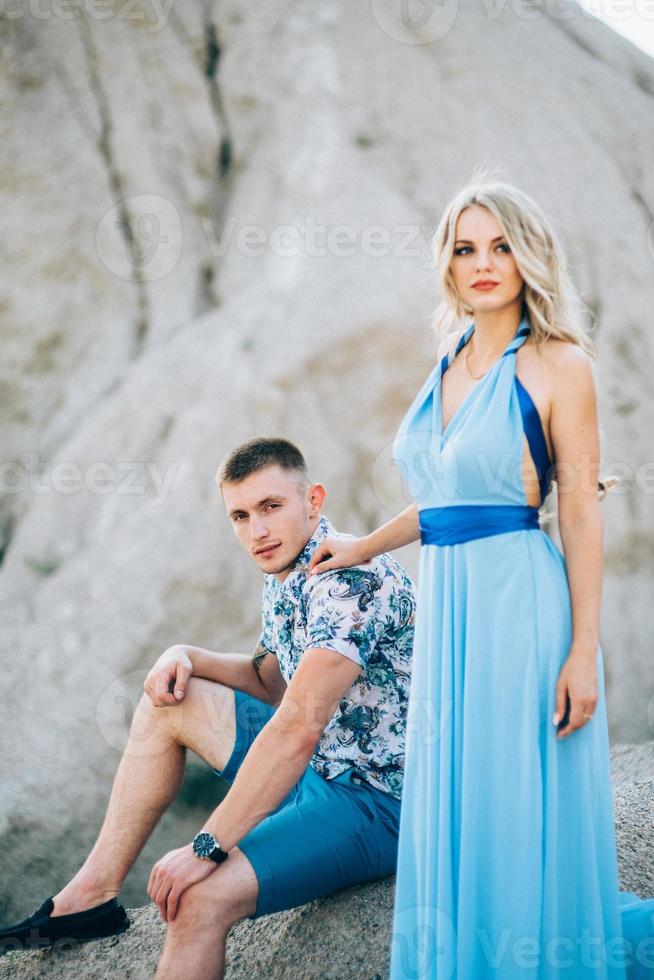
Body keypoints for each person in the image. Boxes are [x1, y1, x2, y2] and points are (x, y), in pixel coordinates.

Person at [308, 177, 654, 978]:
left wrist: (583, 650)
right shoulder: (448, 363)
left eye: (501, 245)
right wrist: (363, 545)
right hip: (452, 612)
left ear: (530, 255)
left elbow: (580, 511)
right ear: (448, 265)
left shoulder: (559, 364)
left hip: (521, 608)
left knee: (513, 803)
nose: (484, 263)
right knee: (460, 801)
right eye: (466, 248)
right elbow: (445, 501)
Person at [0, 437, 417, 979]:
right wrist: (186, 654)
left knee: (195, 902)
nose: (257, 531)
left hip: (376, 802)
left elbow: (295, 727)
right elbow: (271, 682)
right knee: (169, 700)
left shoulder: (349, 583)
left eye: (271, 507)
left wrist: (207, 845)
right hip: (320, 770)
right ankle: (91, 896)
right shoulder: (293, 566)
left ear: (313, 500)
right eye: (240, 515)